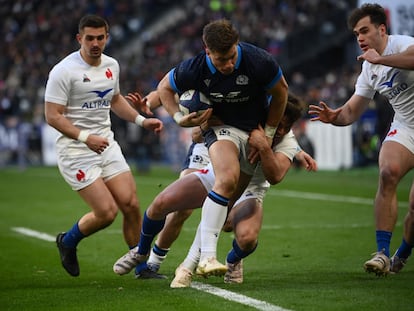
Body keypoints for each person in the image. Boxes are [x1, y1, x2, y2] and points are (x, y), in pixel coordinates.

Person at [113, 94, 316, 286]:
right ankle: (141, 253)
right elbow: (195, 134)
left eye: (287, 127)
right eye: (279, 124)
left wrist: (263, 147)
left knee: (247, 239)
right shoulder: (248, 117)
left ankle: (232, 260)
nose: (281, 130)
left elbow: (276, 176)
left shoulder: (288, 141)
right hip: (218, 174)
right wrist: (206, 123)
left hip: (250, 191)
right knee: (161, 204)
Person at [153, 18, 289, 276]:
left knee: (230, 209)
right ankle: (200, 258)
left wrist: (269, 135)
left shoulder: (259, 61)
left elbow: (281, 92)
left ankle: (191, 265)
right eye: (220, 60)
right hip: (221, 128)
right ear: (207, 51)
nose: (227, 65)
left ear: (237, 45)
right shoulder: (195, 68)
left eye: (230, 57)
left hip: (254, 133)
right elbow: (163, 88)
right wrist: (179, 119)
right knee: (224, 182)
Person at [44, 15, 163, 277]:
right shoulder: (63, 71)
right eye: (90, 38)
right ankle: (68, 241)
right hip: (76, 152)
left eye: (100, 37)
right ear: (79, 39)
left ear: (107, 37)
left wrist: (142, 121)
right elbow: (52, 115)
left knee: (131, 204)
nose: (96, 43)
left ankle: (141, 266)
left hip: (106, 145)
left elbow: (116, 99)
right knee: (106, 213)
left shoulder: (112, 65)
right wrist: (86, 138)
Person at [308, 3, 414, 276]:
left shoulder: (402, 44)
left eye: (364, 31)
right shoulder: (369, 69)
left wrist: (381, 59)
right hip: (406, 127)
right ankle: (381, 254)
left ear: (382, 29)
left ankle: (401, 255)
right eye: (356, 34)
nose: (360, 38)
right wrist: (335, 116)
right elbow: (352, 111)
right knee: (388, 172)